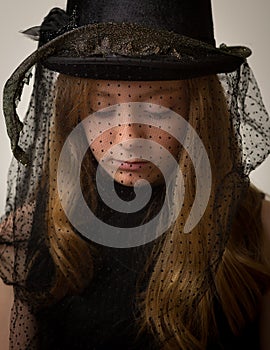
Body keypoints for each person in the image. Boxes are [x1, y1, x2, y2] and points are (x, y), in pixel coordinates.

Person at [1, 0, 270, 349]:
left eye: (157, 111)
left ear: (198, 110)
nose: (129, 139)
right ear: (74, 112)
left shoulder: (260, 231)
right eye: (103, 108)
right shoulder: (21, 241)